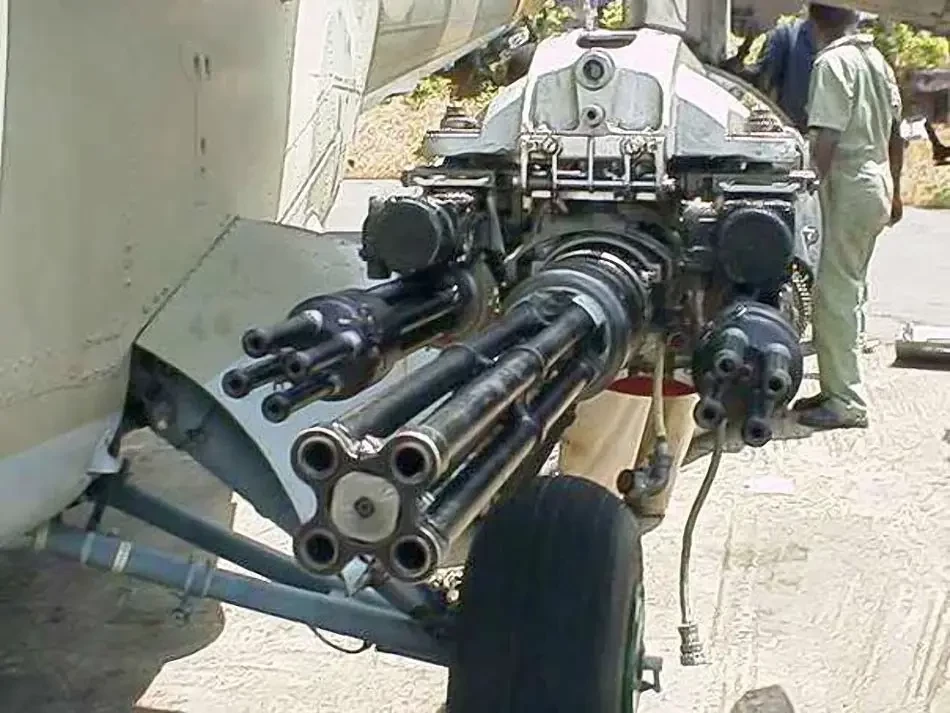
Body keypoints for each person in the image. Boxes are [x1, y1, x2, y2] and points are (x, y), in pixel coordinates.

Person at [792, 3, 904, 430]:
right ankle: (838, 384)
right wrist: (896, 191)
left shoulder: (832, 63)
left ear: (815, 23)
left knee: (833, 294)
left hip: (847, 184)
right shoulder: (876, 60)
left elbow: (828, 137)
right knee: (852, 288)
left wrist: (804, 193)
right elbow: (896, 134)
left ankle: (846, 402)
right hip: (875, 182)